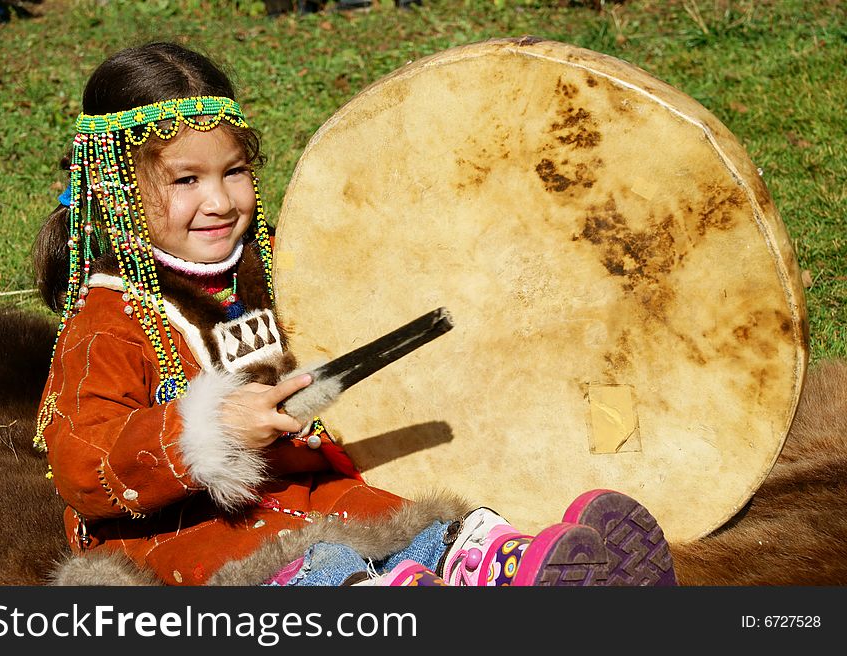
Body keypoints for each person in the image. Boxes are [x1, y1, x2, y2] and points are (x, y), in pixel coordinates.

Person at [33, 41, 678, 587]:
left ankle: (518, 568)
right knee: (330, 567)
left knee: (429, 525)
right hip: (186, 536)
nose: (221, 201)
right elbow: (83, 460)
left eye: (234, 172)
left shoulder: (280, 266)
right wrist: (211, 429)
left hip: (310, 491)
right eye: (185, 181)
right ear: (115, 188)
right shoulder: (109, 318)